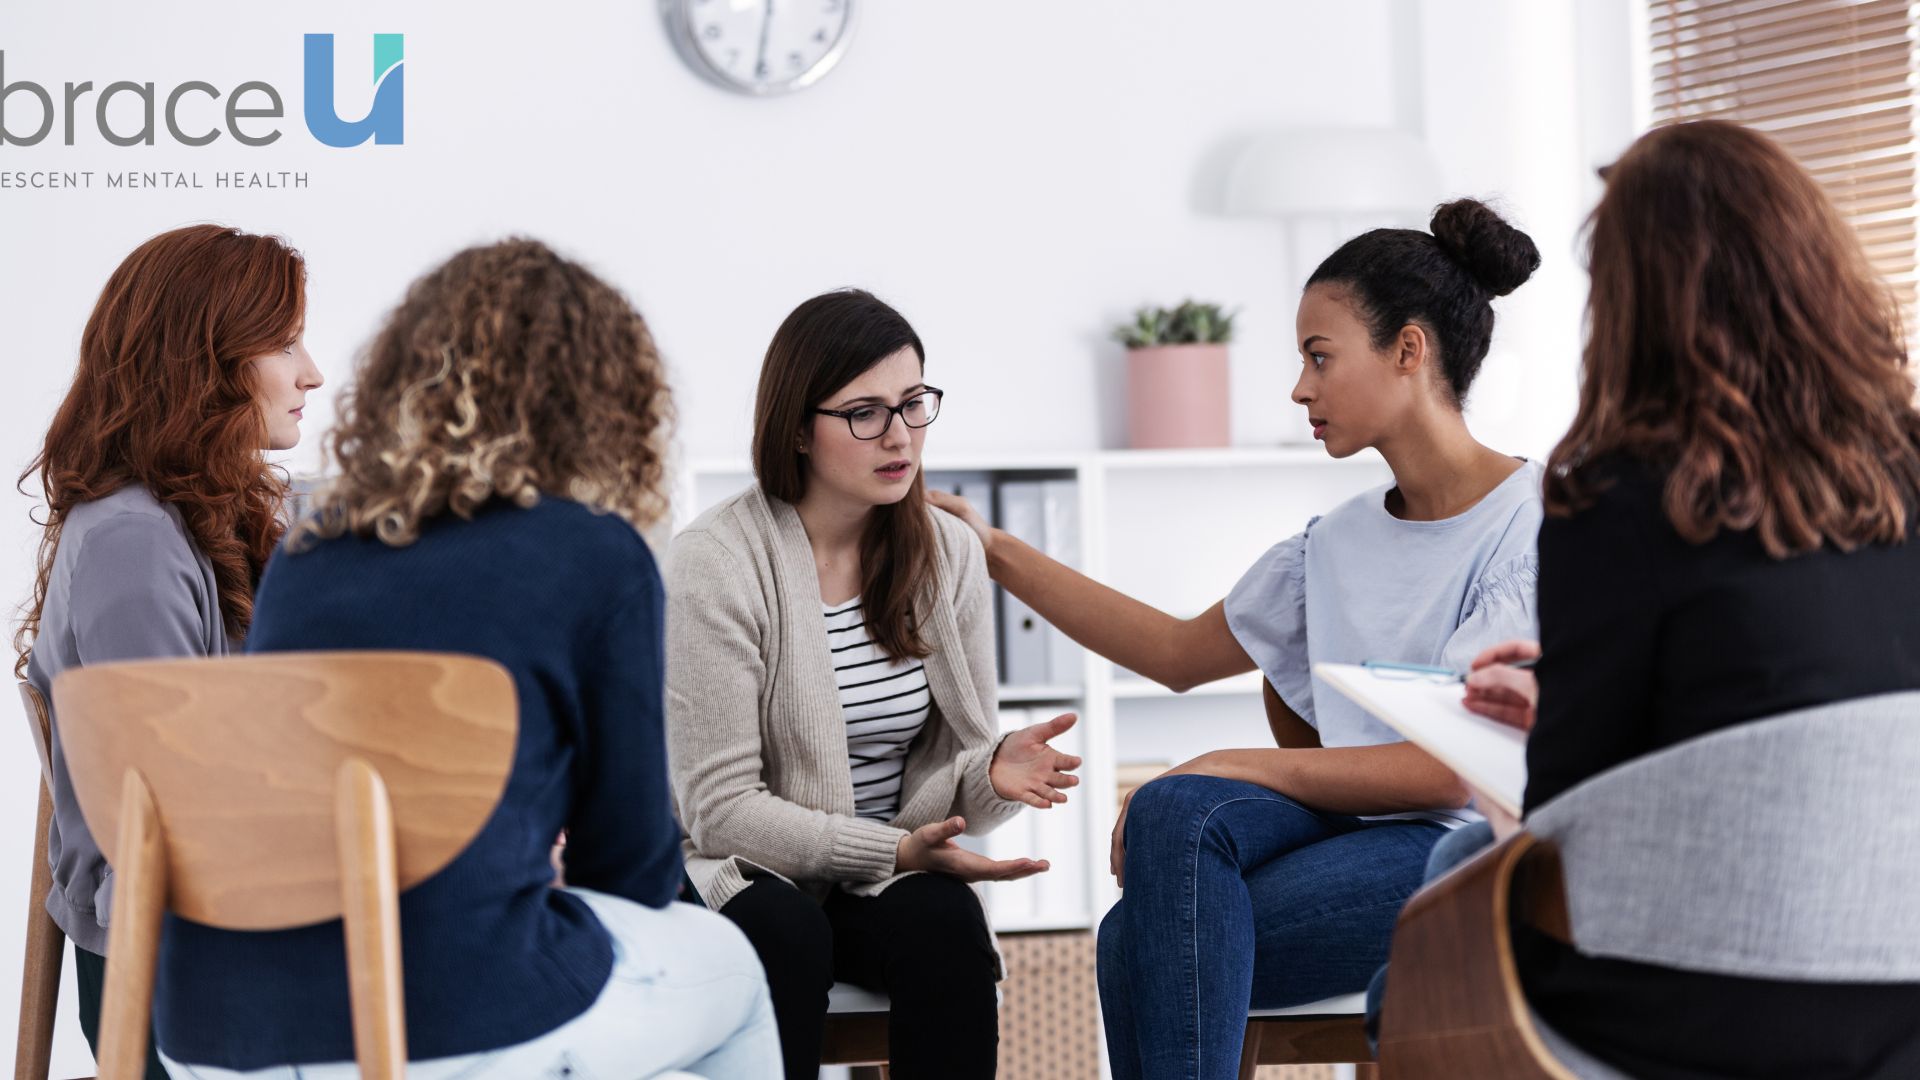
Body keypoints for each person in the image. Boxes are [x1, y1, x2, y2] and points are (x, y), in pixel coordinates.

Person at [931, 199, 1545, 1080]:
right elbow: (1176, 654)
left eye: (1319, 357)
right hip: (1353, 834)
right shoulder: (1330, 545)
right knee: (1169, 827)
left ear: (1409, 351)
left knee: (1131, 933)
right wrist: (995, 551)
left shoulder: (1529, 526)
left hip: (1468, 850)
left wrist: (1231, 761)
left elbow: (1450, 770)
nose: (1300, 388)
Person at [150, 239, 779, 1078]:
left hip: (221, 1023)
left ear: (404, 380)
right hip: (453, 1017)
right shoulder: (597, 556)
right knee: (727, 968)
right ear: (602, 405)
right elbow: (628, 865)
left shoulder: (309, 554)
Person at [1429, 120, 1920, 1079]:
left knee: (1441, 903)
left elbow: (1566, 828)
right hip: (1905, 997)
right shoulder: (1907, 476)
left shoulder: (1618, 498)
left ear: (1634, 303)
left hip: (1705, 1003)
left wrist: (1537, 745)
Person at [669, 288, 1082, 1078]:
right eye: (864, 413)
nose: (899, 436)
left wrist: (989, 776)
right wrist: (891, 849)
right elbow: (719, 811)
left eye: (913, 403)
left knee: (947, 926)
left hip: (883, 869)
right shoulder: (716, 562)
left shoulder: (951, 553)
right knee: (789, 935)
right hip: (740, 868)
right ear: (796, 426)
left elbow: (945, 773)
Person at [15, 224, 321, 1080]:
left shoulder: (206, 511)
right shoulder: (135, 541)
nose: (313, 373)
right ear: (206, 360)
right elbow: (173, 811)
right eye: (285, 343)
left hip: (216, 941)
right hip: (176, 977)